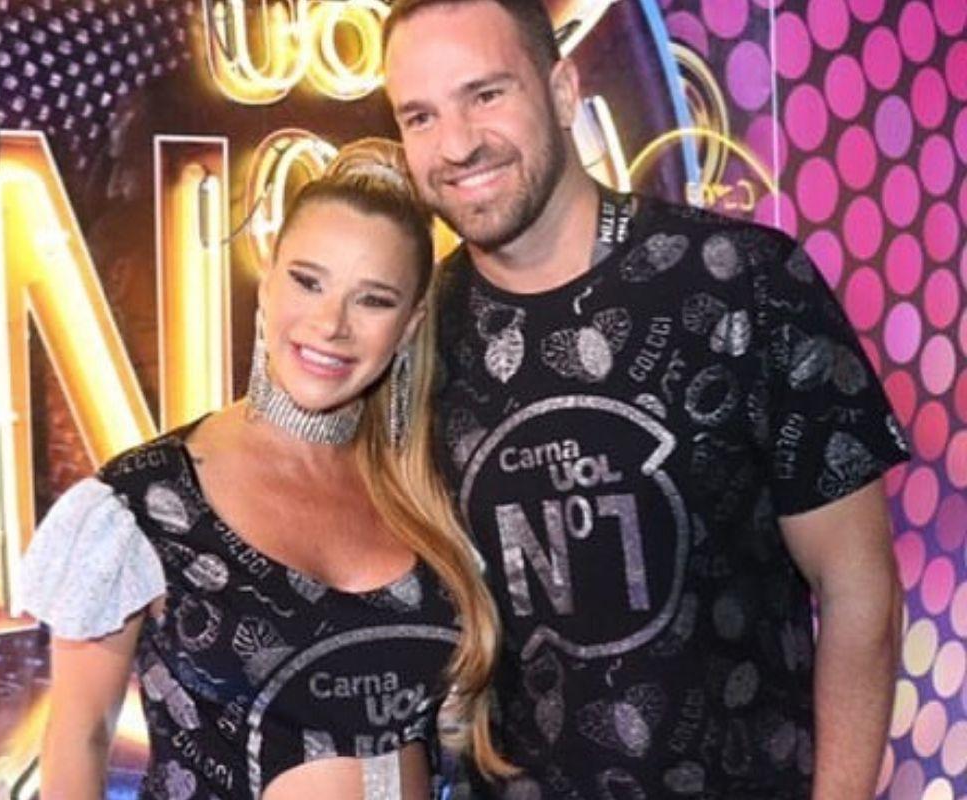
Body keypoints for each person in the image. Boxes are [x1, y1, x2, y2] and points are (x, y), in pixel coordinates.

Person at [381, 1, 910, 797]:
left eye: (486, 94)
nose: (456, 144)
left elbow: (860, 587)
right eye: (420, 116)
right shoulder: (415, 341)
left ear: (563, 91)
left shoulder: (742, 282)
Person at [17, 139, 512, 799]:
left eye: (373, 300)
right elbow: (77, 742)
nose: (331, 324)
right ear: (268, 280)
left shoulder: (424, 493)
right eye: (308, 281)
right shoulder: (144, 501)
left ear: (410, 323)